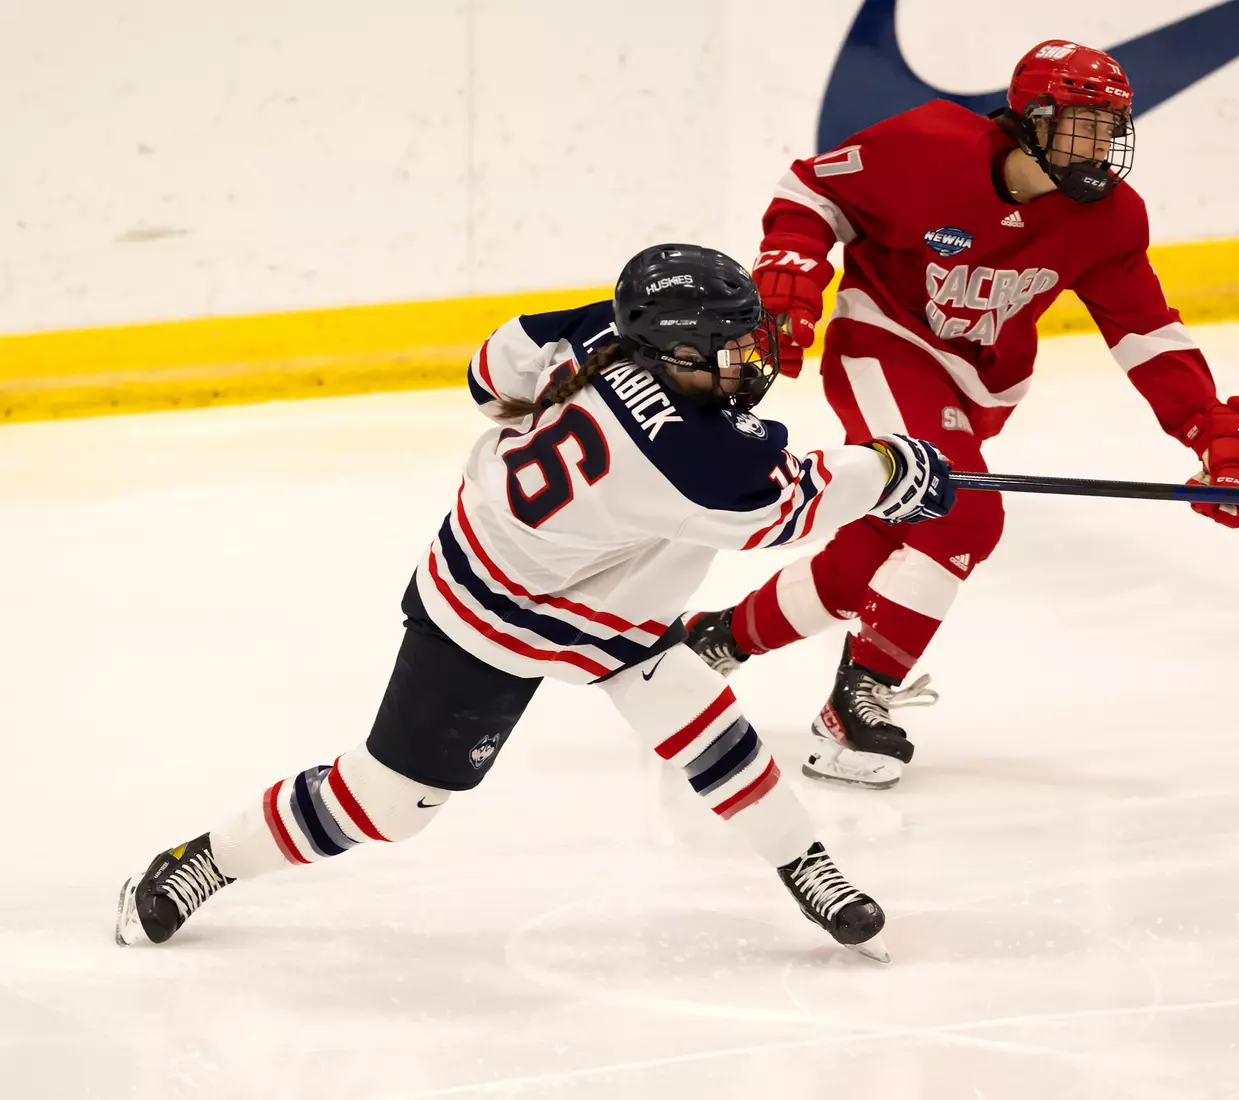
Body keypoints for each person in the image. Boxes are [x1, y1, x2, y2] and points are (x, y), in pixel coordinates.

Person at [114, 244, 956, 961]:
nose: (746, 360)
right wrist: (895, 471)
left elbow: (491, 373)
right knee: (389, 804)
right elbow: (787, 507)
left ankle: (804, 861)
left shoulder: (604, 337)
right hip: (496, 611)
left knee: (700, 718)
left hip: (588, 591)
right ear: (670, 355)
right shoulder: (692, 460)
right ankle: (204, 860)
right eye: (723, 347)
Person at [682, 39, 1239, 789]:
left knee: (875, 547)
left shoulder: (1111, 218)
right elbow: (809, 192)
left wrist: (1205, 424)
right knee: (960, 515)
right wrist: (791, 269)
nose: (1102, 144)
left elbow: (1144, 330)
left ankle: (715, 641)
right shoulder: (927, 147)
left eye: (1111, 126)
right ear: (1031, 120)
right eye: (1083, 123)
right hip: (884, 344)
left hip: (978, 388)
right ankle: (853, 705)